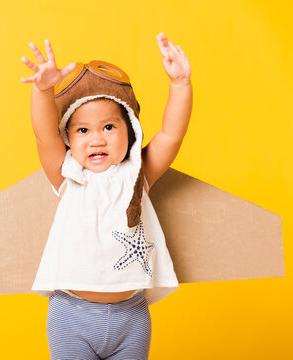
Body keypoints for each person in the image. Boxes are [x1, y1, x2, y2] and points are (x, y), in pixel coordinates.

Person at [20, 33, 192, 360]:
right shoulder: (68, 174)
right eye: (83, 130)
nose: (96, 139)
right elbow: (43, 135)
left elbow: (172, 134)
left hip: (132, 316)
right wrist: (42, 91)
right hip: (72, 316)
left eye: (109, 127)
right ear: (68, 138)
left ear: (130, 131)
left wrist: (180, 84)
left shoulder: (137, 173)